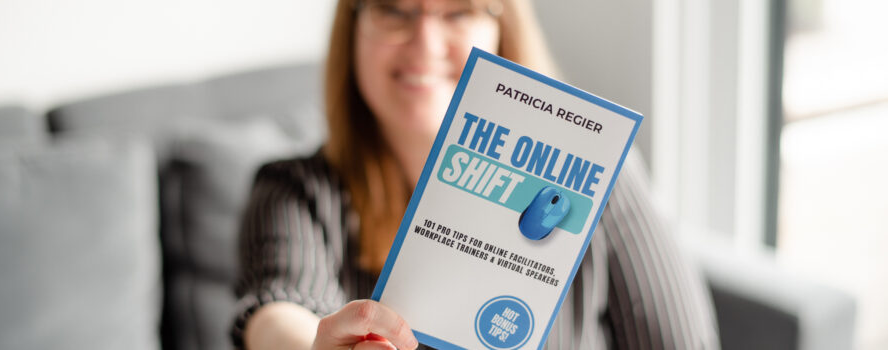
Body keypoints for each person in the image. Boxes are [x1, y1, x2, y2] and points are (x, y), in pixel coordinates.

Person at [232, 0, 721, 349]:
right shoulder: (296, 190)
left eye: (460, 9)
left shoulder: (602, 178)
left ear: (501, 26)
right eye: (393, 10)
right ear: (353, 27)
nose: (425, 42)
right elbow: (278, 310)